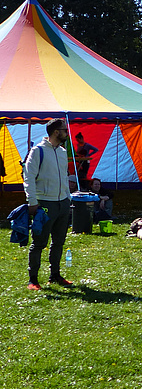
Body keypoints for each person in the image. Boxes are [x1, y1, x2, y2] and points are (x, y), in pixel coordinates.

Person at [23, 118, 72, 290]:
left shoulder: (61, 151)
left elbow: (64, 177)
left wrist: (68, 197)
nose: (67, 132)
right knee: (39, 243)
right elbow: (28, 177)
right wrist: (32, 201)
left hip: (62, 203)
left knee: (58, 242)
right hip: (44, 204)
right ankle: (33, 280)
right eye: (64, 130)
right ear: (56, 132)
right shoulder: (38, 151)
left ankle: (55, 276)